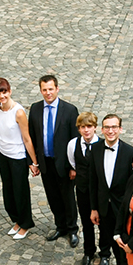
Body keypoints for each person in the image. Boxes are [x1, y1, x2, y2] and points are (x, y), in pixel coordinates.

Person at [89, 114, 133, 265]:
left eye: (114, 127)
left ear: (120, 129)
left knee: (124, 249)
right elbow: (93, 181)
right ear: (101, 130)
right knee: (112, 245)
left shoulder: (130, 153)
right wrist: (94, 208)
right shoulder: (95, 149)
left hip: (123, 211)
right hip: (104, 208)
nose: (110, 131)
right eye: (107, 127)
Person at [28, 75, 79, 245]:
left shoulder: (70, 110)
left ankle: (72, 230)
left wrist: (74, 166)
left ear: (57, 89)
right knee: (53, 197)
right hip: (45, 162)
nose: (48, 93)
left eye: (51, 89)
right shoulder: (35, 109)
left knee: (68, 198)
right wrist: (33, 162)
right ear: (41, 90)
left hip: (64, 164)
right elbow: (32, 137)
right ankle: (60, 226)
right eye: (44, 89)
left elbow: (75, 141)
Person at [0, 77, 38, 240]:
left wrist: (34, 162)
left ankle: (25, 224)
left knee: (20, 191)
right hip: (3, 154)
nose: (2, 96)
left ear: (9, 91)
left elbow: (27, 138)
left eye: (4, 92)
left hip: (18, 157)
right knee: (8, 191)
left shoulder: (18, 112)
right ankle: (16, 220)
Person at [67, 112, 100, 265]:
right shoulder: (73, 144)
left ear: (95, 128)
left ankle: (105, 253)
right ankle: (89, 252)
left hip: (99, 192)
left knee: (103, 223)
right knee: (86, 223)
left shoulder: (101, 145)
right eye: (82, 127)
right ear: (78, 129)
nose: (86, 130)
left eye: (89, 127)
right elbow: (73, 163)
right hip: (82, 190)